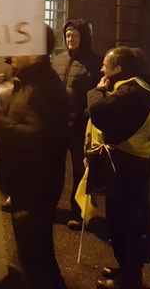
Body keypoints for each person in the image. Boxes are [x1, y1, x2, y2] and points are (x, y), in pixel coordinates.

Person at [0, 26, 69, 289]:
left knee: (34, 256)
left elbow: (38, 135)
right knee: (39, 253)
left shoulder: (44, 86)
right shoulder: (28, 81)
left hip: (36, 186)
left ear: (36, 53)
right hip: (25, 183)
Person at [86, 47, 150, 289]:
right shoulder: (139, 87)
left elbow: (98, 112)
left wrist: (96, 91)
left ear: (118, 69)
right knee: (126, 220)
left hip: (128, 169)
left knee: (126, 223)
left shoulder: (129, 93)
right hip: (135, 165)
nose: (102, 69)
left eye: (106, 64)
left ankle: (130, 279)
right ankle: (126, 268)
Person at [51, 19, 101, 229]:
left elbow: (98, 93)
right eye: (68, 35)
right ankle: (49, 206)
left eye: (75, 35)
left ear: (84, 37)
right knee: (52, 168)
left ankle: (79, 212)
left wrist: (84, 115)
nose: (70, 39)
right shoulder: (58, 60)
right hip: (57, 126)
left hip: (79, 127)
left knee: (80, 172)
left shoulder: (95, 63)